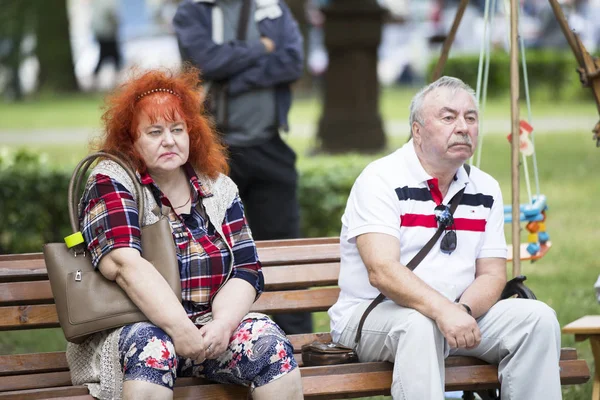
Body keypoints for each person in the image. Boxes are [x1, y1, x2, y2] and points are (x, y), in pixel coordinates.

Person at [65, 67, 303, 400]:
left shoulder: (218, 187)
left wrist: (222, 325)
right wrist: (180, 330)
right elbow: (122, 264)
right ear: (130, 140)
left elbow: (246, 269)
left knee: (270, 344)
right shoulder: (111, 180)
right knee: (154, 348)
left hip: (209, 328)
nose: (169, 140)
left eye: (178, 129)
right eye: (154, 132)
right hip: (133, 330)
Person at [328, 76, 562, 399]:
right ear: (418, 131)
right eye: (449, 117)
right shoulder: (380, 180)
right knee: (419, 325)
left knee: (538, 320)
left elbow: (493, 273)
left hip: (457, 314)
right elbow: (382, 270)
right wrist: (442, 312)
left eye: (471, 117)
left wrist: (461, 311)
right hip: (372, 316)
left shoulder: (486, 188)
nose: (463, 127)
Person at [173, 0, 312, 335]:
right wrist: (261, 48)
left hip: (268, 146)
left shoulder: (272, 8)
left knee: (283, 250)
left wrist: (235, 81)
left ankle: (296, 343)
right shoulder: (193, 11)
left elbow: (291, 62)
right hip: (212, 152)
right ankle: (219, 339)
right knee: (212, 253)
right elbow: (206, 62)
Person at [91, 0, 122, 85]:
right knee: (114, 56)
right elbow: (111, 14)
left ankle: (96, 77)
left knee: (105, 56)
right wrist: (116, 24)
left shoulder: (97, 3)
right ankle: (116, 79)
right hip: (107, 33)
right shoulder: (107, 2)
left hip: (102, 32)